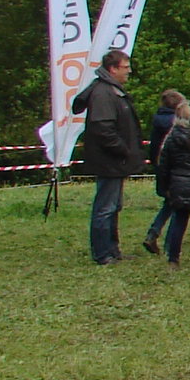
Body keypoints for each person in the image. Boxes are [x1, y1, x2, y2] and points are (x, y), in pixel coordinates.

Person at [74, 48, 145, 265]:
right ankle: (102, 253)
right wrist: (123, 150)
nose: (129, 71)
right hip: (109, 161)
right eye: (125, 67)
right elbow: (103, 129)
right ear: (113, 69)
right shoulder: (103, 93)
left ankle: (113, 250)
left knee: (113, 206)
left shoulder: (110, 90)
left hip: (114, 161)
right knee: (105, 207)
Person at [151, 94, 190, 266]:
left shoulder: (171, 138)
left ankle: (173, 258)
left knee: (179, 221)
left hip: (179, 183)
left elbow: (164, 165)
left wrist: (164, 187)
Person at [140, 88, 184, 256]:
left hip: (162, 167)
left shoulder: (157, 121)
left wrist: (156, 165)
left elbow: (153, 148)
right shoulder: (178, 123)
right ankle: (169, 243)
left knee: (169, 203)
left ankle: (154, 233)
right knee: (178, 205)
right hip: (176, 168)